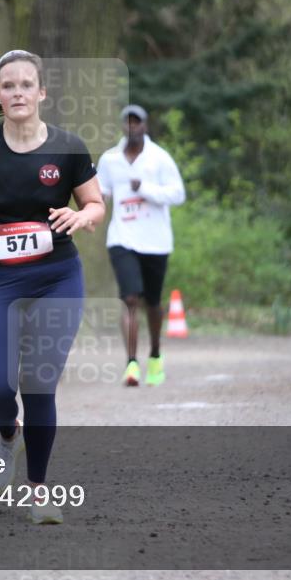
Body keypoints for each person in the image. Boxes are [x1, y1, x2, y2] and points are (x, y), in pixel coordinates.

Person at [0, 50, 105, 524]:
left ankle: (39, 492)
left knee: (39, 383)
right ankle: (6, 436)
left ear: (41, 92)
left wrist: (81, 215)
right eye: (9, 86)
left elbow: (96, 204)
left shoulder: (68, 147)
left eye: (26, 85)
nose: (17, 93)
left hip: (57, 276)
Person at [96, 105, 185, 387]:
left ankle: (155, 356)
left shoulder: (159, 158)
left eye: (137, 123)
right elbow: (101, 194)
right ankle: (131, 364)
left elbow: (178, 194)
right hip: (122, 237)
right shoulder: (109, 159)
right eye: (128, 123)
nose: (132, 127)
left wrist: (144, 188)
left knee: (153, 303)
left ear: (145, 126)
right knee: (130, 298)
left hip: (156, 241)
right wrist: (93, 206)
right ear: (123, 126)